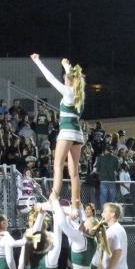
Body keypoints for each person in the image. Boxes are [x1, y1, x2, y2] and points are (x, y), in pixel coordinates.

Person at [31, 54, 85, 213]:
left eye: (65, 80)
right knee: (74, 172)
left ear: (68, 81)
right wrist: (66, 64)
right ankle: (76, 204)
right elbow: (72, 76)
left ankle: (54, 196)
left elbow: (50, 79)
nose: (63, 82)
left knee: (58, 165)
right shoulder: (80, 94)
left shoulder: (68, 92)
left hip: (66, 131)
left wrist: (37, 61)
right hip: (78, 133)